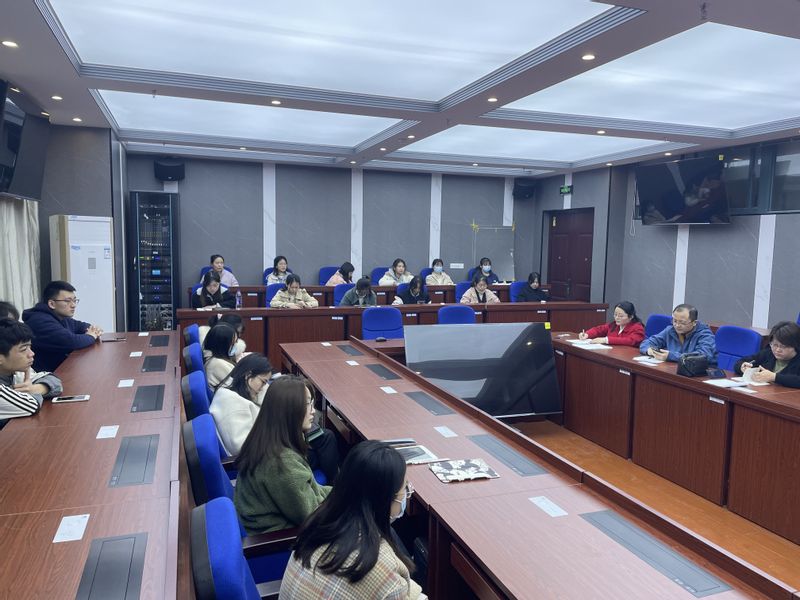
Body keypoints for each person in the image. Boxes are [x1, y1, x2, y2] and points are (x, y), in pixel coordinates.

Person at [280, 440, 425, 600]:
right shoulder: (380, 566)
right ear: (383, 500)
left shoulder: (318, 522)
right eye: (404, 488)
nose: (406, 495)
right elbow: (390, 586)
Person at [234, 376, 333, 534]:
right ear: (289, 410)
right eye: (307, 404)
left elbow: (313, 491)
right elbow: (312, 516)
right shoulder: (282, 462)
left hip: (280, 525)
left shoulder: (267, 439)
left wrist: (344, 492)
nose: (313, 411)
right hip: (280, 542)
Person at [22, 280, 102, 372]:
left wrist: (93, 330)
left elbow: (82, 326)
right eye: (67, 301)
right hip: (46, 375)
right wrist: (91, 336)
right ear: (52, 304)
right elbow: (72, 342)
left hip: (62, 370)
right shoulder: (40, 321)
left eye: (74, 300)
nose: (73, 305)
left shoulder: (61, 317)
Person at [0, 318, 63, 426]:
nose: (31, 354)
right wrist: (30, 393)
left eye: (30, 347)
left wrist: (36, 388)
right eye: (23, 349)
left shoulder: (15, 371)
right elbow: (31, 405)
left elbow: (55, 381)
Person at [210, 353, 273, 455]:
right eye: (263, 382)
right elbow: (241, 447)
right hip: (251, 461)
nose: (263, 388)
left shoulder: (233, 393)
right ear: (248, 375)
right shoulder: (234, 404)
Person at [639, 303, 717, 364]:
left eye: (682, 322)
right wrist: (650, 351)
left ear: (694, 323)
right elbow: (647, 342)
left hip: (698, 374)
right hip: (673, 369)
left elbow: (703, 357)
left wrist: (671, 356)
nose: (677, 325)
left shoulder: (705, 335)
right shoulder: (670, 330)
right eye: (675, 321)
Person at [735, 321, 800, 388]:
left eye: (783, 346)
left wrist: (774, 377)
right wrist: (742, 367)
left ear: (796, 345)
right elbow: (740, 362)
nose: (778, 350)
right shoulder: (768, 353)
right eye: (775, 345)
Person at [578, 301, 645, 346]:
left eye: (621, 316)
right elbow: (599, 329)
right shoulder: (614, 325)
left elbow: (630, 341)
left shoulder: (637, 328)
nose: (617, 318)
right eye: (615, 315)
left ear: (631, 317)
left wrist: (606, 340)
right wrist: (587, 334)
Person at [203, 323, 240, 388]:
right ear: (223, 345)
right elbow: (239, 386)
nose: (235, 345)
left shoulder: (215, 358)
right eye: (233, 343)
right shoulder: (217, 364)